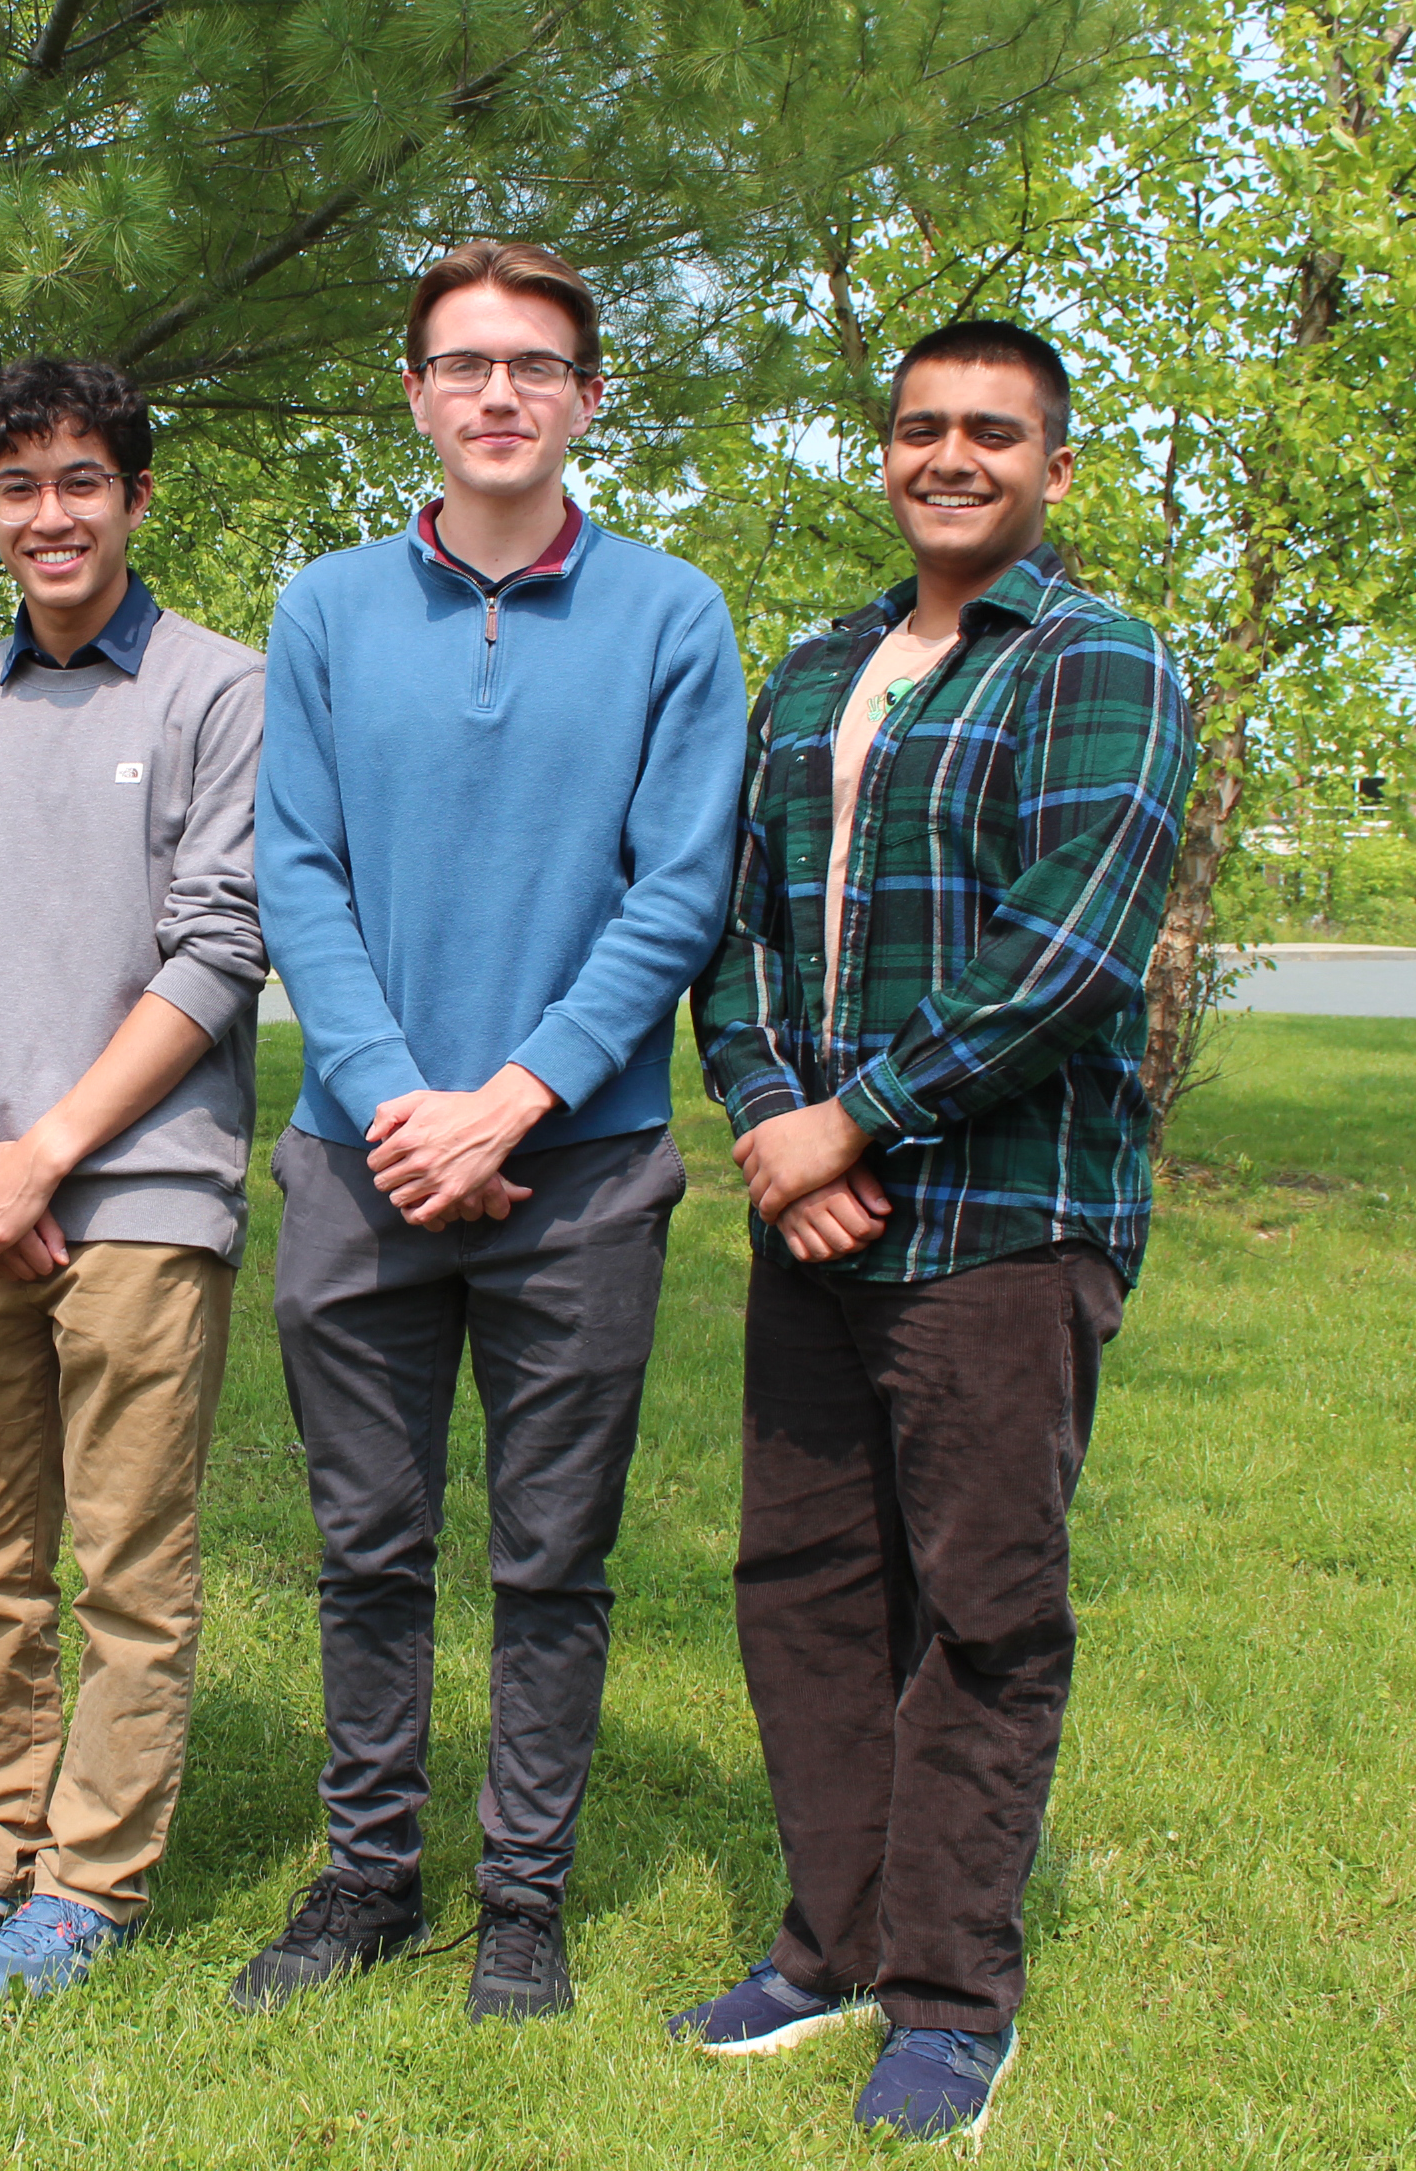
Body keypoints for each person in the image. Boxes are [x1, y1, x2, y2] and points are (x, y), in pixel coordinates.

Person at [677, 320, 1191, 2142]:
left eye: (991, 432)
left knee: (982, 1609)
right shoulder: (813, 669)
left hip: (1001, 1216)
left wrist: (851, 1116)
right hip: (812, 1222)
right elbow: (730, 931)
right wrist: (766, 1124)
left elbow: (1067, 948)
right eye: (918, 428)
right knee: (805, 1589)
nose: (949, 456)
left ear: (1053, 466)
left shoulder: (1100, 661)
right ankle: (827, 1944)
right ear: (883, 454)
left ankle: (954, 1996)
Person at [243, 241, 748, 2020]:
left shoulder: (673, 616)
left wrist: (517, 1094)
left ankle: (518, 1894)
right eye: (463, 365)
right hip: (357, 1164)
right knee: (365, 1544)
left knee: (551, 1554)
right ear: (415, 396)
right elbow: (293, 872)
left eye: (535, 366)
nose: (498, 395)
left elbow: (676, 889)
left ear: (587, 397)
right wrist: (397, 1102)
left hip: (583, 1169)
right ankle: (370, 1871)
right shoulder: (321, 611)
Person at [0, 359, 265, 2000]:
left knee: (128, 1566)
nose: (51, 515)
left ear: (135, 498)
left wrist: (47, 1153)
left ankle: (89, 1878)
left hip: (141, 1202)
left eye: (81, 481)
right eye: (18, 488)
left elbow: (221, 944)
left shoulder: (218, 689)